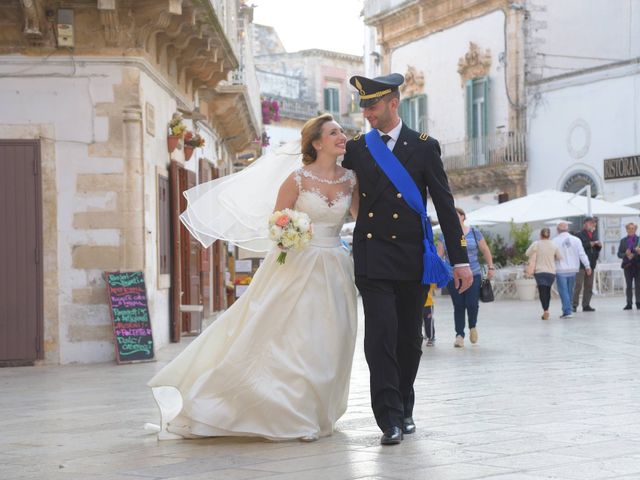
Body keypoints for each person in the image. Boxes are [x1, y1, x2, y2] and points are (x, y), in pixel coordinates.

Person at [147, 114, 358, 441]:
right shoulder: (297, 179)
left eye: (342, 132)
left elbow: (362, 217)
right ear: (317, 143)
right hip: (298, 265)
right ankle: (296, 414)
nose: (342, 136)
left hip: (336, 266)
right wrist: (291, 235)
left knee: (331, 339)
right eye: (334, 132)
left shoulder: (351, 180)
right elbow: (277, 221)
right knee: (297, 339)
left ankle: (320, 412)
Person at [342, 73, 472, 445]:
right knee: (380, 336)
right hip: (372, 256)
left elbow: (445, 206)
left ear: (393, 103)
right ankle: (389, 418)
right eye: (363, 105)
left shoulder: (423, 146)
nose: (366, 112)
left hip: (413, 256)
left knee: (409, 339)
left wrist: (460, 260)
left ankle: (405, 405)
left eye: (372, 104)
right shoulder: (357, 148)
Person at [437, 207, 494, 348]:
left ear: (463, 216)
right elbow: (440, 256)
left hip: (473, 273)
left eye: (456, 215)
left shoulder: (474, 232)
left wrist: (491, 267)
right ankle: (459, 335)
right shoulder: (444, 235)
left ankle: (472, 326)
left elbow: (485, 249)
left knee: (472, 304)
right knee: (458, 305)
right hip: (453, 275)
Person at [552, 222, 591, 319]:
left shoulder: (554, 241)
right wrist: (587, 266)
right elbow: (582, 254)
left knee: (563, 291)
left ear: (557, 230)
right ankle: (568, 309)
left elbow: (552, 256)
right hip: (573, 269)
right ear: (568, 229)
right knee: (570, 290)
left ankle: (567, 310)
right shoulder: (576, 240)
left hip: (560, 269)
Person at [526, 227, 561, 320]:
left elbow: (527, 253)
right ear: (549, 235)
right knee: (547, 290)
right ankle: (546, 310)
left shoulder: (536, 244)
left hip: (539, 271)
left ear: (540, 235)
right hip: (551, 272)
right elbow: (560, 256)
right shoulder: (554, 245)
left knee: (542, 292)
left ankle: (545, 310)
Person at [572, 217, 602, 312]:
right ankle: (574, 305)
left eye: (594, 223)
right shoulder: (578, 235)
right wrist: (591, 244)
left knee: (589, 285)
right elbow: (578, 248)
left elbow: (595, 249)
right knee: (578, 285)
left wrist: (599, 246)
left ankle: (586, 305)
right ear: (585, 224)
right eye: (592, 223)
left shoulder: (594, 235)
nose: (594, 225)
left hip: (592, 264)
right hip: (581, 264)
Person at [617, 222, 640, 310]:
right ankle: (629, 303)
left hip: (638, 265)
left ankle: (638, 302)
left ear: (635, 229)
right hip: (627, 266)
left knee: (638, 285)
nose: (631, 230)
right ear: (626, 230)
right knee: (629, 285)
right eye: (629, 228)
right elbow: (619, 254)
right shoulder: (623, 241)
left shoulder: (639, 240)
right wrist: (625, 254)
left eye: (632, 228)